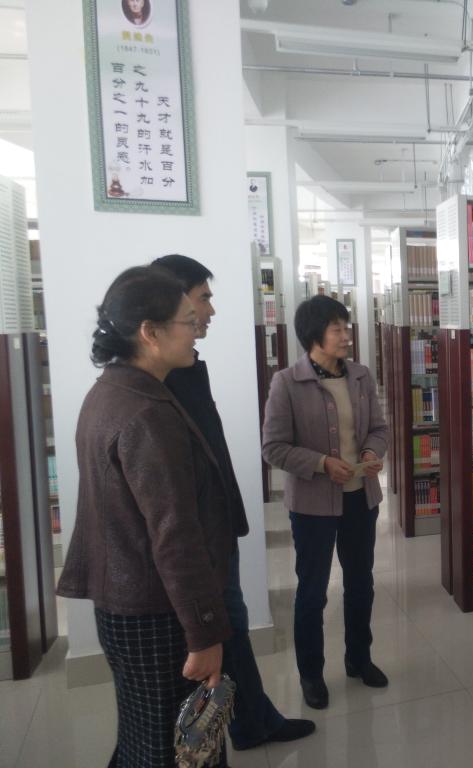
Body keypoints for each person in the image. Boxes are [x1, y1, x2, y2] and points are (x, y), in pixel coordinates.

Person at [56, 266, 232, 767]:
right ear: (149, 332)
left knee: (143, 737)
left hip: (124, 603)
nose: (197, 328)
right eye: (187, 321)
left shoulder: (110, 392)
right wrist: (204, 633)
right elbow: (175, 536)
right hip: (158, 612)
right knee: (175, 749)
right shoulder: (146, 413)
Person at [152, 255, 315, 750]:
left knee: (235, 627)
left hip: (215, 527)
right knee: (230, 627)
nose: (211, 311)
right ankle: (253, 722)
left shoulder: (186, 368)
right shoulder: (159, 382)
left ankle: (253, 721)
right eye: (203, 298)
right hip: (199, 537)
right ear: (172, 303)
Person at [262, 295, 389, 710]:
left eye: (346, 328)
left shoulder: (361, 376)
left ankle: (359, 659)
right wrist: (320, 463)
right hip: (312, 506)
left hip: (360, 499)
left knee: (361, 583)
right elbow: (274, 448)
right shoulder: (287, 383)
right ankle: (311, 674)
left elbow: (379, 429)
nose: (346, 336)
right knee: (313, 591)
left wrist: (370, 452)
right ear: (314, 335)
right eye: (337, 329)